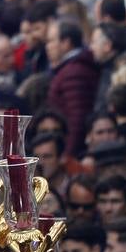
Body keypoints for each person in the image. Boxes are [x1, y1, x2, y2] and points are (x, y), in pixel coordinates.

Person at [45, 19, 98, 156]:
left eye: (51, 41)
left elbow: (77, 118)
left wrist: (68, 155)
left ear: (66, 43)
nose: (47, 46)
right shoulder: (69, 68)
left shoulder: (74, 72)